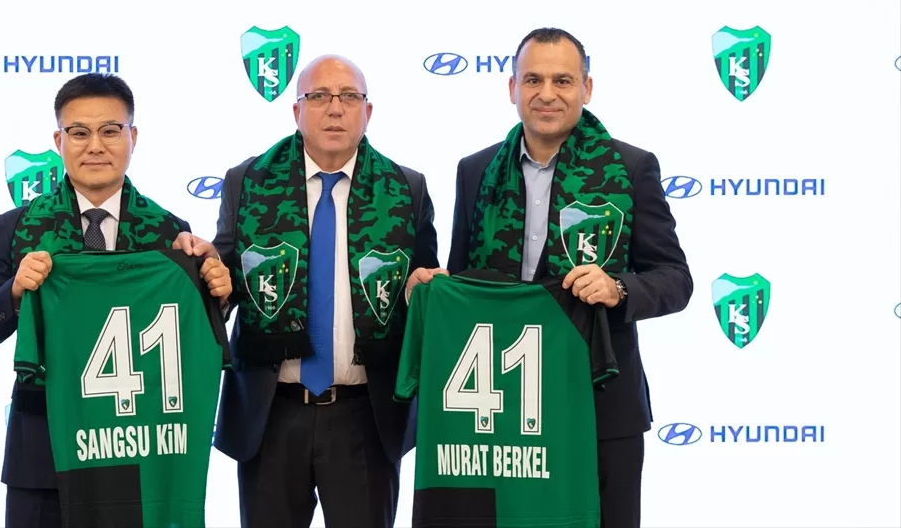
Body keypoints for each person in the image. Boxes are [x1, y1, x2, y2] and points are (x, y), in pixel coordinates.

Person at [411, 28, 693, 527]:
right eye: (533, 80)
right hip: (500, 411)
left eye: (562, 80)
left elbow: (675, 278)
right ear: (512, 88)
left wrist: (618, 288)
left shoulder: (631, 168)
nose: (547, 94)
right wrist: (438, 287)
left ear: (587, 87)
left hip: (599, 403)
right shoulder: (476, 170)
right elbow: (467, 276)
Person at [0, 73, 232, 528]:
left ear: (133, 137)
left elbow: (187, 337)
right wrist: (14, 290)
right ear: (59, 141)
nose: (95, 146)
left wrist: (218, 295)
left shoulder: (170, 232)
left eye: (110, 130)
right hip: (43, 454)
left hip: (138, 450)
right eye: (79, 132)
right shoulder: (17, 226)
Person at [203, 54, 439, 528]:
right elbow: (224, 281)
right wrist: (212, 279)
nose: (335, 108)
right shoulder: (247, 182)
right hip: (272, 413)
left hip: (365, 416)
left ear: (367, 112)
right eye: (319, 96)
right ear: (296, 110)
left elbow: (423, 286)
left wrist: (421, 292)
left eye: (349, 97)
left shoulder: (406, 189)